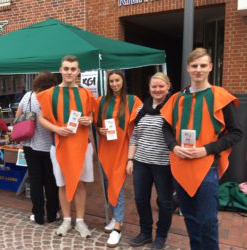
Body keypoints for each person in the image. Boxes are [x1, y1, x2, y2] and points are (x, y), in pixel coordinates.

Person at [161, 48, 243, 250]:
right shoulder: (177, 99)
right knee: (190, 218)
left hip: (207, 166)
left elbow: (236, 133)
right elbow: (166, 128)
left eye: (203, 66)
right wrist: (174, 147)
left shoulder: (221, 97)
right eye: (194, 66)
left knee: (207, 221)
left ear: (210, 67)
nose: (198, 70)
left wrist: (207, 149)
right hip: (181, 165)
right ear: (188, 68)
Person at [37, 55, 95, 238]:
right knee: (62, 184)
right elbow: (41, 118)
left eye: (73, 69)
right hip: (59, 144)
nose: (69, 72)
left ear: (78, 71)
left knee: (80, 183)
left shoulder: (86, 93)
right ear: (60, 70)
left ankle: (80, 221)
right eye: (66, 68)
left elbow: (91, 116)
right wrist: (56, 128)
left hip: (82, 146)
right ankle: (66, 220)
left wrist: (89, 120)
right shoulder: (49, 94)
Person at [94, 71, 142, 247]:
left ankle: (118, 226)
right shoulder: (101, 101)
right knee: (109, 185)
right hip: (106, 149)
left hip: (122, 149)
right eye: (111, 81)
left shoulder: (133, 100)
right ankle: (115, 217)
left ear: (123, 81)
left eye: (117, 80)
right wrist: (99, 130)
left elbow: (142, 119)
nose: (114, 84)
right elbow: (96, 122)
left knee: (118, 184)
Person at [126, 72, 173, 249]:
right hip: (141, 162)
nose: (157, 89)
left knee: (165, 202)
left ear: (168, 86)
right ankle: (145, 233)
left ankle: (161, 236)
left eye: (161, 86)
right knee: (140, 199)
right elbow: (134, 136)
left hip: (164, 164)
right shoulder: (141, 109)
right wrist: (130, 159)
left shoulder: (174, 108)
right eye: (154, 86)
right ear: (149, 88)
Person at [16, 72, 59, 225]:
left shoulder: (28, 95)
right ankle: (53, 214)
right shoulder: (53, 97)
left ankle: (38, 215)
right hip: (49, 146)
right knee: (51, 181)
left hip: (29, 144)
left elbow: (17, 117)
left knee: (35, 181)